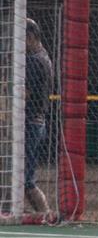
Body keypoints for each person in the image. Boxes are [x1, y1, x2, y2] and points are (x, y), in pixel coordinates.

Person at [24, 18, 53, 220]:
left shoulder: (35, 60)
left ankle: (45, 214)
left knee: (26, 178)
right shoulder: (42, 56)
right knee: (23, 176)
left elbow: (25, 94)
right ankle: (44, 214)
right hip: (35, 121)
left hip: (30, 122)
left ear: (30, 37)